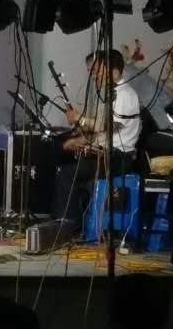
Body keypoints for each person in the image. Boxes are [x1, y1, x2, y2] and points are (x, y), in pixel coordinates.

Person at [53, 48, 142, 224]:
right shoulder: (111, 94)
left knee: (66, 173)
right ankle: (73, 221)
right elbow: (101, 129)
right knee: (61, 157)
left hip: (118, 159)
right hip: (106, 154)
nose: (93, 77)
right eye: (91, 72)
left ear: (114, 72)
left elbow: (110, 126)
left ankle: (67, 224)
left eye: (96, 71)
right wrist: (80, 137)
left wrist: (80, 118)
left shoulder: (125, 95)